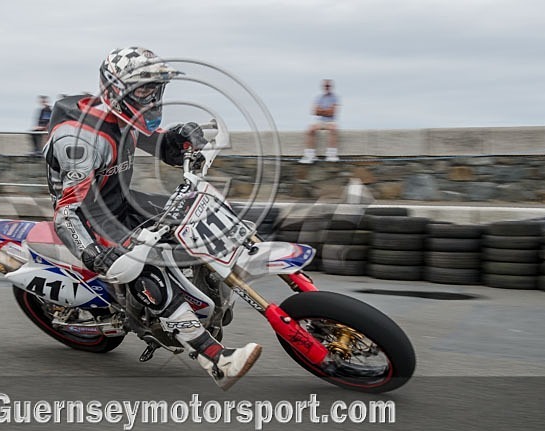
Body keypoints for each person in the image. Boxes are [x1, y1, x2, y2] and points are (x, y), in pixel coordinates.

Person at [42, 46, 261, 389]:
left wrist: (180, 138)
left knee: (194, 218)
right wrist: (96, 254)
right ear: (117, 89)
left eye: (156, 89)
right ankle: (215, 359)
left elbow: (159, 145)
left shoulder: (124, 115)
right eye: (144, 89)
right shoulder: (80, 141)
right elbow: (67, 212)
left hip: (122, 199)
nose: (152, 97)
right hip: (90, 216)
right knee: (144, 270)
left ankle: (210, 292)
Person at [299, 79, 340, 163]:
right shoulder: (319, 97)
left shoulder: (335, 97)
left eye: (328, 86)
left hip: (330, 122)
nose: (327, 87)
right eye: (325, 86)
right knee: (310, 129)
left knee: (333, 129)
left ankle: (331, 155)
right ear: (323, 87)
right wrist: (325, 111)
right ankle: (310, 155)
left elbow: (332, 112)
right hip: (320, 122)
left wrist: (321, 110)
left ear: (331, 87)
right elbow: (314, 111)